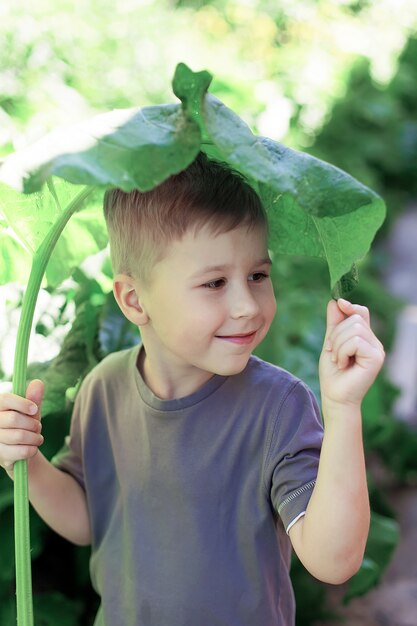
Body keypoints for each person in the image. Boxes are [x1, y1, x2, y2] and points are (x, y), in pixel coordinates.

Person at [0, 152, 385, 626]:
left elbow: (334, 560)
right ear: (134, 300)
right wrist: (27, 463)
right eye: (215, 283)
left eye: (258, 276)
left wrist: (343, 408)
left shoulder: (277, 406)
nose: (247, 305)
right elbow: (87, 520)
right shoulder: (104, 389)